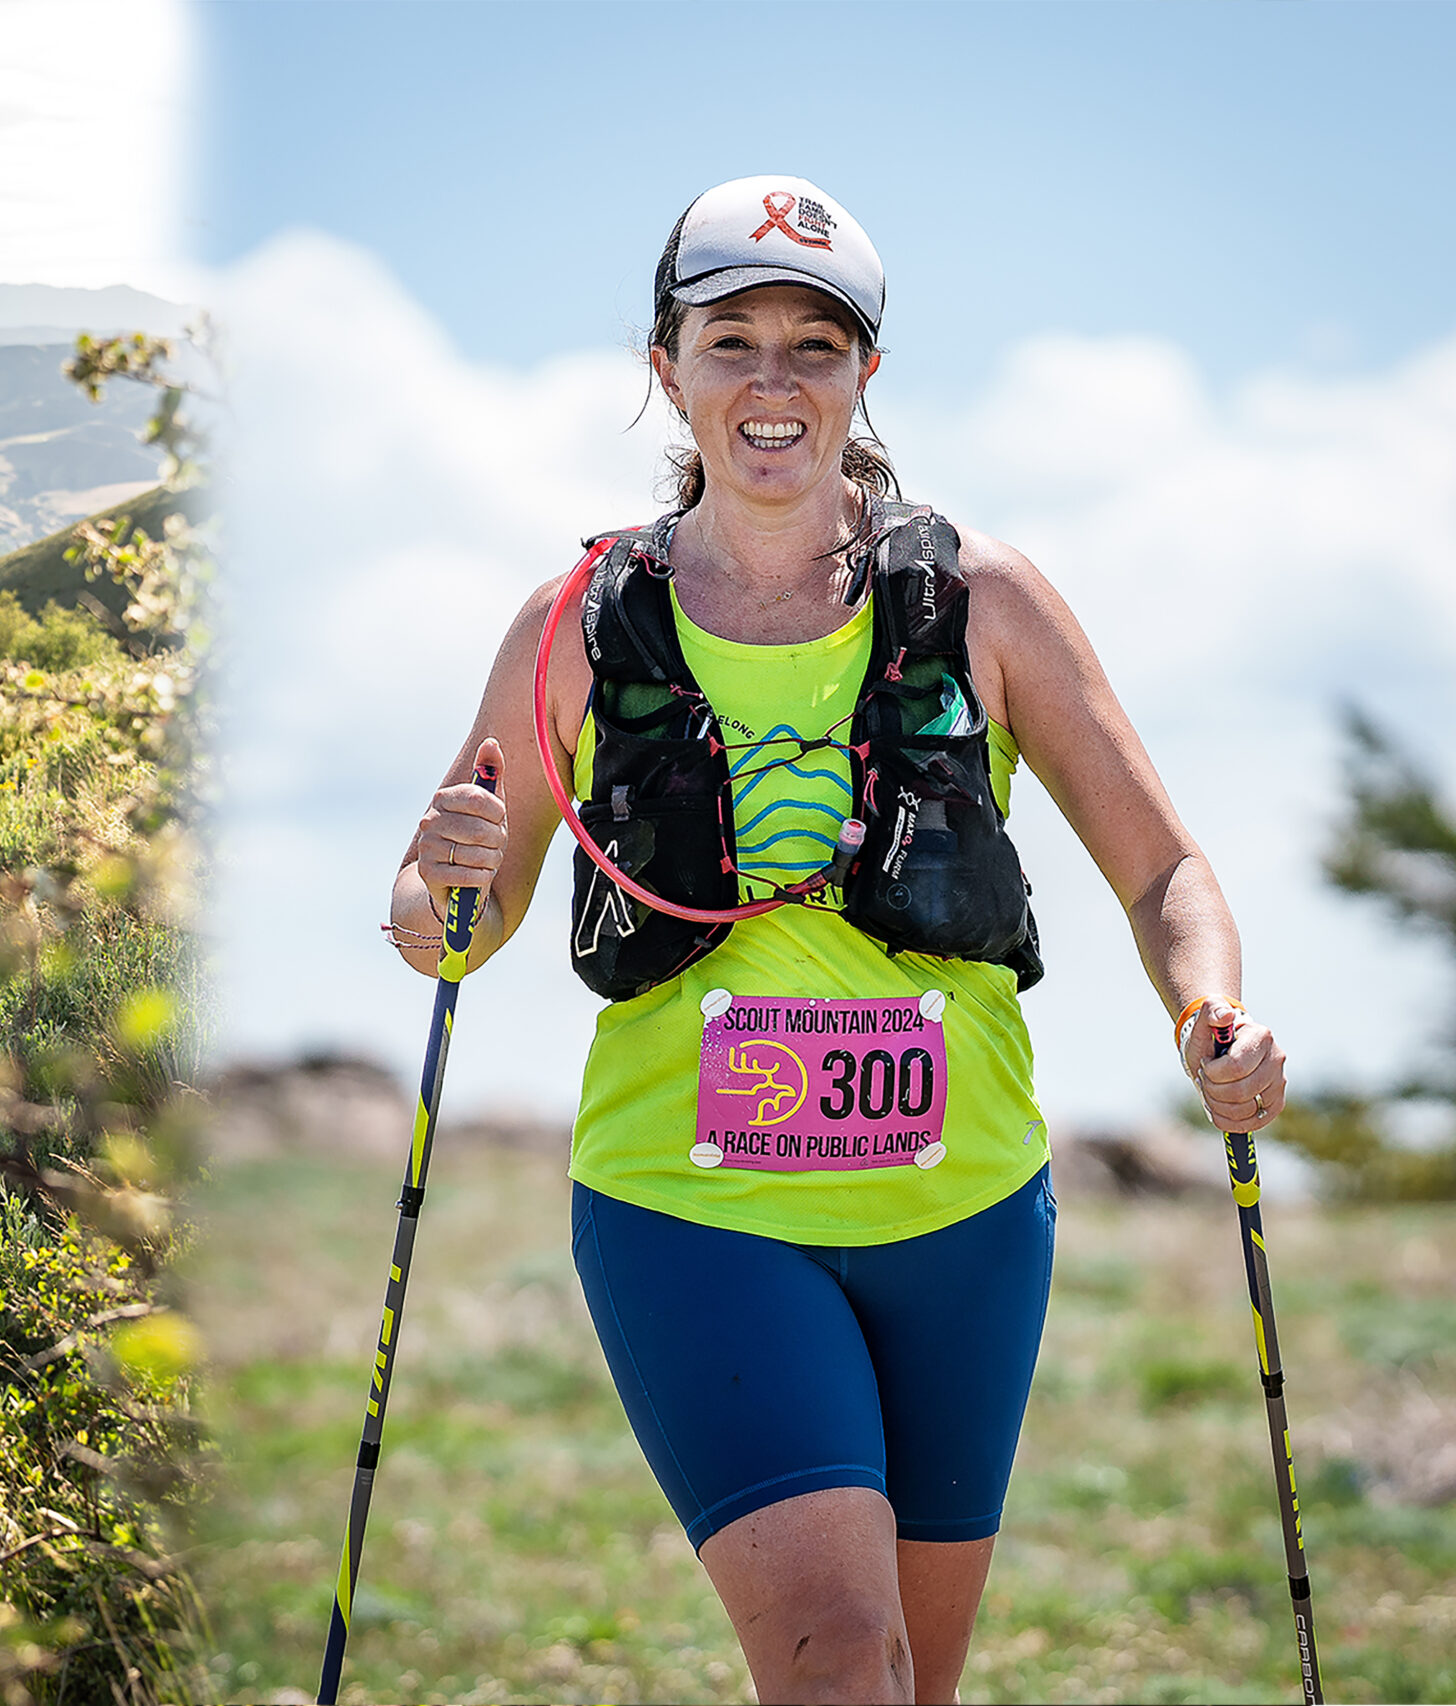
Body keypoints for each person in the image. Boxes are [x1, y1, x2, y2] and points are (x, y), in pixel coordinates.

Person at [388, 175, 1289, 1704]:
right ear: (664, 368)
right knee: (835, 1667)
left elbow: (1165, 870)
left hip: (966, 1212)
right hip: (692, 1208)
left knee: (914, 1687)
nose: (771, 381)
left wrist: (1213, 1009)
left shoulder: (982, 598)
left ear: (866, 371)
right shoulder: (575, 620)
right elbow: (448, 931)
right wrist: (438, 877)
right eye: (729, 338)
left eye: (815, 344)